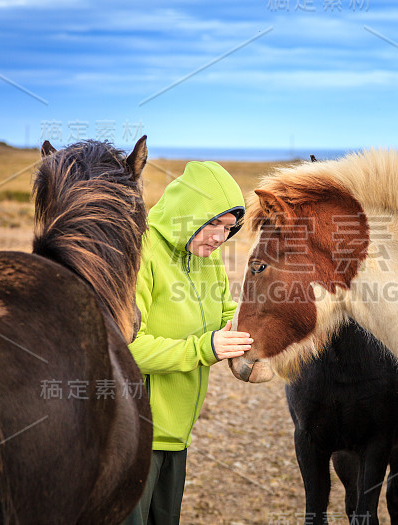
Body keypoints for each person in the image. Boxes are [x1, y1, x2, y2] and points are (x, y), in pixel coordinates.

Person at [122, 160, 253, 525]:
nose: (219, 237)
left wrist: (268, 334)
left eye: (228, 228)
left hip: (177, 436)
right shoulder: (142, 252)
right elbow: (125, 347)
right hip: (134, 437)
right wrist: (204, 348)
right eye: (212, 223)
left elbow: (229, 316)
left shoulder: (207, 260)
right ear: (187, 211)